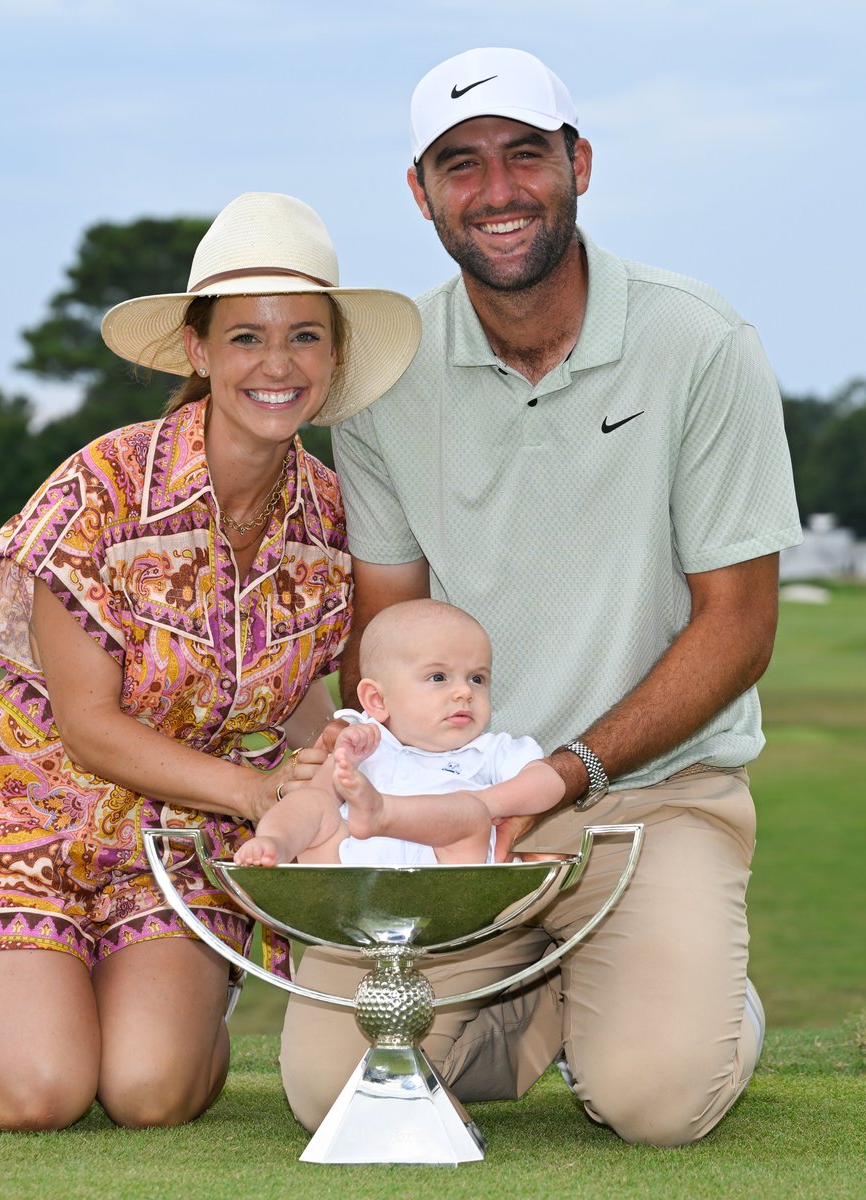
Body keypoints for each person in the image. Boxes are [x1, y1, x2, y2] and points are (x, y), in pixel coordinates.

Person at [280, 49, 803, 1147]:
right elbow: (382, 636)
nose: (499, 190)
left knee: (658, 1102)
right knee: (337, 1094)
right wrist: (400, 789)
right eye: (460, 166)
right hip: (448, 811)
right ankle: (548, 998)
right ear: (420, 194)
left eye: (527, 155)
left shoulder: (697, 342)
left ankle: (683, 1005)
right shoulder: (384, 377)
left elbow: (741, 625)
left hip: (650, 802)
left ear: (581, 164)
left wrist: (558, 779)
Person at [0, 192, 420, 1130]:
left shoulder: (337, 515)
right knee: (39, 1093)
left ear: (336, 355)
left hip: (178, 850)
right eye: (245, 337)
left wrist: (337, 759)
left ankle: (132, 994)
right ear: (197, 350)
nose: (277, 364)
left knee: (151, 1093)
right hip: (25, 830)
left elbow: (300, 689)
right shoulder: (102, 488)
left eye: (305, 336)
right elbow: (91, 728)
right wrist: (258, 794)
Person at [235, 599, 564, 867]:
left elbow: (550, 783)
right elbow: (320, 797)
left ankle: (385, 814)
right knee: (312, 800)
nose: (465, 692)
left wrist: (482, 802)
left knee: (469, 816)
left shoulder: (487, 751)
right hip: (354, 878)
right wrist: (342, 758)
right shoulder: (365, 741)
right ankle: (274, 843)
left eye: (477, 679)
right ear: (377, 700)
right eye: (438, 677)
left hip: (447, 883)